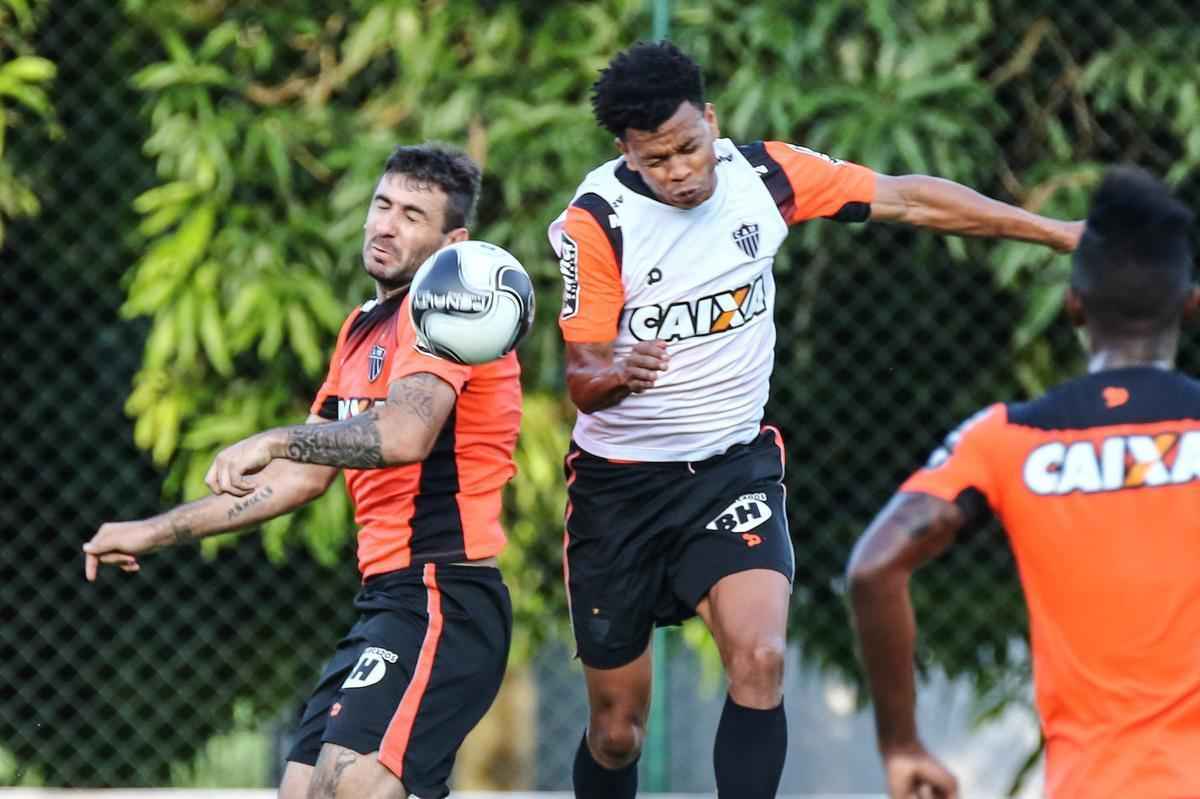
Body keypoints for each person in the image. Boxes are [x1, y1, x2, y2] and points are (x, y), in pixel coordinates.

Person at [547, 40, 1083, 799]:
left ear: (711, 119)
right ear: (624, 153)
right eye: (655, 160)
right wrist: (615, 373)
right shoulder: (596, 222)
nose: (678, 171)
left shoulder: (764, 177)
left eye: (688, 148)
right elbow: (582, 376)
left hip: (731, 469)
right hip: (619, 489)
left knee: (761, 660)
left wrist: (1059, 231)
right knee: (615, 729)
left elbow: (909, 197)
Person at [83, 144, 522, 799]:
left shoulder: (448, 314)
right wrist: (152, 530)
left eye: (411, 215)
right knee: (301, 788)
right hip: (388, 600)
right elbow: (300, 475)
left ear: (452, 241)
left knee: (352, 787)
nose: (385, 224)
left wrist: (273, 436)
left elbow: (402, 434)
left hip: (444, 594)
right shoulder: (360, 328)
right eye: (382, 205)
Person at [846, 167, 1200, 798]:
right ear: (1191, 302)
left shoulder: (1007, 439)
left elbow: (874, 567)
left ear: (1072, 305)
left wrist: (902, 744)